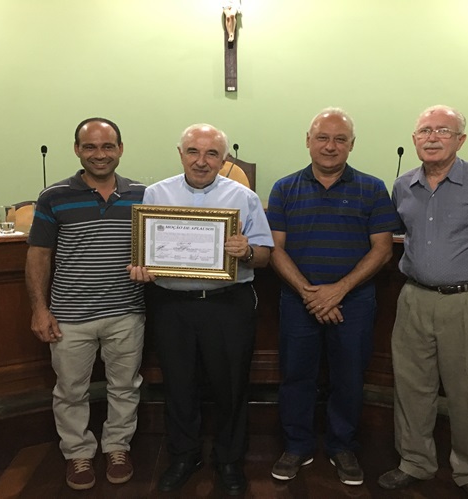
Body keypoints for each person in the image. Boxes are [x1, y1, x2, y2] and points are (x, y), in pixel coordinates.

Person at [378, 105, 468, 499]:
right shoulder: (403, 185)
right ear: (414, 140)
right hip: (414, 299)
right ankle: (414, 462)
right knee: (411, 388)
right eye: (425, 130)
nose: (432, 137)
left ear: (461, 140)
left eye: (443, 130)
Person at [127, 123, 273, 495]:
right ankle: (184, 456)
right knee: (178, 385)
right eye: (193, 151)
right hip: (172, 305)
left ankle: (229, 460)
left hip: (227, 306)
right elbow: (144, 250)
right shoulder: (156, 194)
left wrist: (247, 251)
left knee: (231, 386)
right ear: (181, 154)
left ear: (224, 159)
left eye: (212, 154)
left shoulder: (244, 198)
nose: (201, 161)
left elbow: (264, 256)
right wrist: (141, 267)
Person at [266, 107, 399, 486]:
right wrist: (310, 294)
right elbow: (275, 249)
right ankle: (297, 445)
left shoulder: (372, 188)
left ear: (352, 145)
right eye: (322, 138)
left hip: (353, 303)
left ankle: (343, 446)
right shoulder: (284, 188)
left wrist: (338, 290)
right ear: (308, 141)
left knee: (349, 377)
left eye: (340, 139)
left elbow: (383, 250)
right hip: (299, 302)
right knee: (296, 376)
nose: (330, 146)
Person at [25, 117, 146, 491]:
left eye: (108, 146)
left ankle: (117, 447)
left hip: (126, 312)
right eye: (90, 146)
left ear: (120, 149)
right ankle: (77, 453)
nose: (100, 154)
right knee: (70, 391)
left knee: (124, 387)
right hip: (70, 316)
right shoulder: (54, 196)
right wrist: (39, 309)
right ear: (77, 149)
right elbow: (39, 255)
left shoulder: (144, 195)